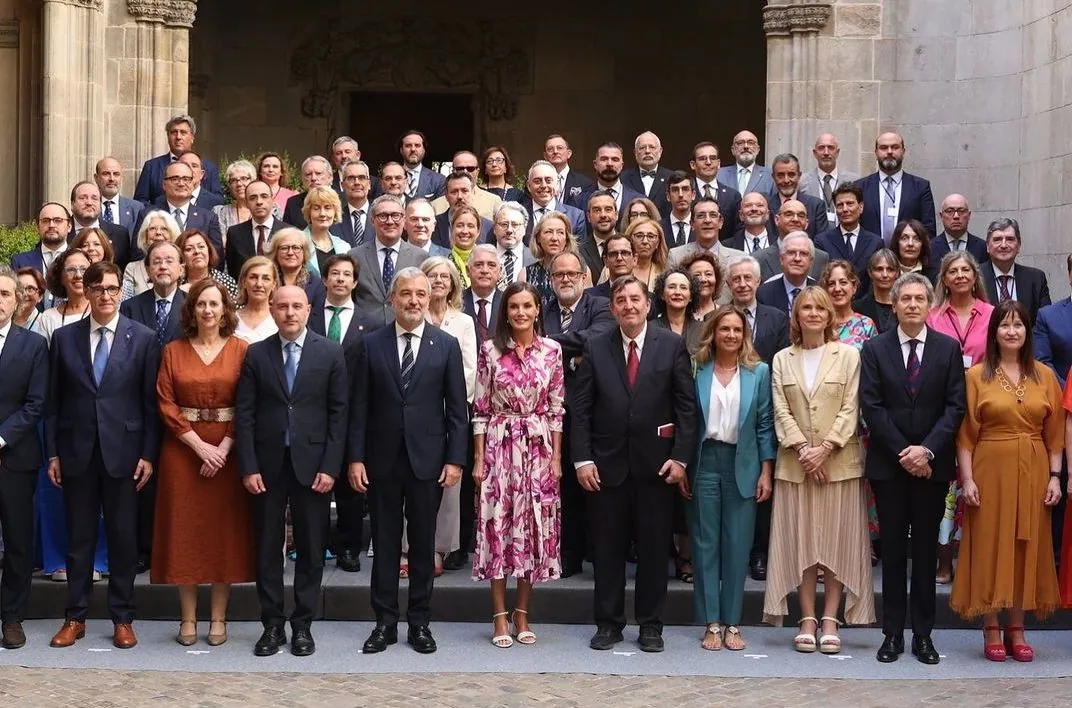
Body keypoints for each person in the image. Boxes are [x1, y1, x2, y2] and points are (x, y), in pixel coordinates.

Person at [572, 275, 697, 653]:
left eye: (634, 299)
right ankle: (608, 623)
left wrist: (680, 457)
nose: (628, 306)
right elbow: (580, 411)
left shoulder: (671, 346)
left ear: (648, 305)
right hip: (606, 468)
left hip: (656, 468)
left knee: (655, 551)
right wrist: (582, 459)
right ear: (612, 308)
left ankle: (651, 625)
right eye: (620, 300)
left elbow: (686, 408)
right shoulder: (596, 346)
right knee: (607, 551)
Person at [348, 268, 468, 655]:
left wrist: (455, 460)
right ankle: (383, 622)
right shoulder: (371, 345)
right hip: (381, 462)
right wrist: (355, 459)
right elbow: (359, 409)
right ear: (393, 299)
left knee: (421, 545)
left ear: (430, 296)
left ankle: (419, 623)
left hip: (428, 463)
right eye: (406, 294)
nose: (414, 301)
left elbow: (456, 412)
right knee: (384, 545)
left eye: (421, 293)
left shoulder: (445, 345)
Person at [46, 261, 160, 650]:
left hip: (125, 455)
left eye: (113, 289)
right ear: (86, 291)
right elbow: (53, 403)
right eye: (99, 289)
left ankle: (123, 618)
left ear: (120, 292)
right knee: (78, 539)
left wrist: (148, 454)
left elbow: (150, 404)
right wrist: (53, 454)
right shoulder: (63, 339)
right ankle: (75, 617)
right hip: (76, 452)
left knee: (123, 539)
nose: (106, 296)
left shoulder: (142, 338)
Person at [235, 285, 348, 657]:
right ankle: (271, 625)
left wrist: (331, 466)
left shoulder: (330, 353)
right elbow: (245, 415)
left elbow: (338, 415)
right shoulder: (255, 354)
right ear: (271, 308)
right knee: (267, 548)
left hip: (313, 466)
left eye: (296, 306)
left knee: (312, 548)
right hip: (267, 467)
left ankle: (302, 626)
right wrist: (248, 466)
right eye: (281, 306)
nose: (289, 313)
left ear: (309, 308)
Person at [860, 273, 966, 665]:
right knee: (891, 552)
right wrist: (906, 452)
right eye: (905, 299)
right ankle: (891, 634)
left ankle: (923, 635)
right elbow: (871, 405)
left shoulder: (947, 349)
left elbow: (955, 407)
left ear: (929, 303)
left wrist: (927, 451)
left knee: (924, 551)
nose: (912, 305)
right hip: (890, 466)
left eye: (920, 298)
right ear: (895, 304)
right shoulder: (874, 349)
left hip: (932, 468)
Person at [950, 300, 1063, 662]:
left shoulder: (1044, 375)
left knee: (1024, 543)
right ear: (994, 331)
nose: (1012, 331)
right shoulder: (976, 376)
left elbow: (1055, 434)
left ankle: (1017, 627)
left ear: (1028, 332)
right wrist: (966, 480)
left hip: (1034, 466)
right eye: (1004, 325)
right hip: (989, 467)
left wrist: (1056, 478)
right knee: (989, 543)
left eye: (1018, 325)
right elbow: (966, 435)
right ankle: (991, 625)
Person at [764, 287, 873, 653]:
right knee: (803, 542)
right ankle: (807, 617)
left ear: (830, 316)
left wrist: (825, 448)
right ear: (796, 315)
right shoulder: (782, 358)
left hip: (839, 463)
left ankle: (831, 618)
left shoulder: (848, 356)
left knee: (837, 543)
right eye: (805, 307)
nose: (812, 313)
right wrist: (803, 449)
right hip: (796, 465)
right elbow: (780, 408)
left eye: (819, 308)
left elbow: (852, 405)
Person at [152, 279, 255, 646]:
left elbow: (248, 403)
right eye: (201, 304)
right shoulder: (173, 351)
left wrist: (224, 447)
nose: (208, 311)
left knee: (222, 535)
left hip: (228, 451)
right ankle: (188, 618)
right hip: (183, 450)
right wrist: (198, 446)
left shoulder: (242, 350)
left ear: (225, 310)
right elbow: (165, 402)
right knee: (186, 533)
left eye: (214, 304)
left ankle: (218, 619)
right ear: (191, 310)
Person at [472, 281, 566, 647]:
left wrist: (556, 458)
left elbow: (558, 408)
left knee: (530, 528)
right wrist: (479, 460)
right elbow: (480, 410)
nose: (521, 312)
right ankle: (498, 614)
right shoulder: (489, 351)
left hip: (539, 445)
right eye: (514, 307)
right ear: (505, 312)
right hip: (499, 443)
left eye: (527, 306)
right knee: (498, 526)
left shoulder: (552, 351)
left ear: (538, 309)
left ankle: (522, 612)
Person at [690, 305, 774, 651]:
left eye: (737, 330)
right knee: (705, 545)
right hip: (704, 462)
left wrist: (767, 470)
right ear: (714, 332)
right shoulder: (697, 369)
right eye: (724, 329)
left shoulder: (758, 372)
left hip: (744, 464)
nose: (730, 335)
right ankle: (711, 621)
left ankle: (733, 622)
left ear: (745, 335)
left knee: (738, 547)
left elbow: (765, 424)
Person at [400, 257, 477, 577]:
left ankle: (438, 549)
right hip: (412, 413)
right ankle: (407, 548)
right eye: (433, 275)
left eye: (446, 275)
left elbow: (470, 369)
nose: (440, 280)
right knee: (409, 482)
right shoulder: (411, 316)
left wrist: (453, 405)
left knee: (447, 486)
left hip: (448, 414)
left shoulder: (463, 321)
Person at [542, 252, 614, 577]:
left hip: (597, 413)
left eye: (572, 273)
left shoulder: (599, 307)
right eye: (559, 275)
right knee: (565, 488)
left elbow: (595, 338)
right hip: (556, 415)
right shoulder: (543, 312)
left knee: (598, 486)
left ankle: (601, 554)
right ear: (551, 279)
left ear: (585, 277)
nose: (566, 279)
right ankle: (568, 554)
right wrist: (574, 353)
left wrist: (546, 345)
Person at [119, 240, 187, 573]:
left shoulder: (192, 306)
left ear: (181, 268)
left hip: (181, 403)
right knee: (142, 478)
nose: (162, 266)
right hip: (140, 401)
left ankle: (178, 544)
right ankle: (143, 548)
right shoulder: (131, 308)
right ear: (147, 270)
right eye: (156, 261)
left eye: (169, 261)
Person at [927, 251, 994, 582]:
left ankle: (974, 557)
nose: (960, 275)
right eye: (953, 270)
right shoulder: (933, 316)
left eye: (966, 269)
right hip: (943, 407)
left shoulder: (992, 314)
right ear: (945, 278)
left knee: (978, 481)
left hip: (984, 406)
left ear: (975, 275)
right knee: (948, 487)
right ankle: (943, 558)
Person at [307, 254, 377, 573]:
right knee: (314, 481)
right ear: (324, 279)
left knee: (350, 486)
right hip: (313, 412)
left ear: (354, 282)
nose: (339, 279)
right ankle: (314, 546)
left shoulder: (372, 322)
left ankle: (348, 546)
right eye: (334, 273)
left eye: (346, 275)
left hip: (353, 413)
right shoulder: (308, 317)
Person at [0, 266, 49, 650]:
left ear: (17, 300)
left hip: (14, 458)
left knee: (18, 543)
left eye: (5, 294)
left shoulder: (32, 346)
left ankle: (12, 617)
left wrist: (1, 438)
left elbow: (36, 404)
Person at [351, 194, 429, 327]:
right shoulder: (355, 256)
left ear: (404, 220)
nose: (390, 221)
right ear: (372, 221)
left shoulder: (421, 257)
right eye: (383, 216)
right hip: (364, 333)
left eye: (395, 215)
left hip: (405, 331)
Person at [856, 132, 937, 241]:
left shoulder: (921, 187)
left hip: (908, 255)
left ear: (903, 151)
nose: (889, 152)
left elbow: (928, 229)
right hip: (870, 255)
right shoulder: (860, 187)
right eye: (884, 148)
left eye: (895, 147)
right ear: (876, 153)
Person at [134, 114, 221, 205]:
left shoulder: (209, 168)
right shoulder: (151, 166)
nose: (178, 137)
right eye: (174, 132)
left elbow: (217, 201)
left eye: (183, 132)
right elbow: (139, 202)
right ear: (168, 137)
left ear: (192, 138)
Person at [814, 183, 883, 293]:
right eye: (840, 205)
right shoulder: (822, 241)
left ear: (860, 207)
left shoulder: (875, 242)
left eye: (850, 204)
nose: (845, 209)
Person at [980, 217, 1051, 325]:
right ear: (987, 247)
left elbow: (1044, 324)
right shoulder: (975, 276)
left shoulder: (1036, 278)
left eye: (1010, 239)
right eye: (997, 239)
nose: (1003, 245)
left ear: (1018, 246)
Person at [526, 212, 591, 304]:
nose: (554, 238)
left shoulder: (582, 270)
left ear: (567, 239)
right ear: (538, 238)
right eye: (548, 232)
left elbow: (587, 306)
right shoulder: (526, 273)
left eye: (560, 232)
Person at [34, 249, 93, 345]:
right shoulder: (49, 317)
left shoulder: (100, 312)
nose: (78, 275)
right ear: (60, 277)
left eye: (84, 269)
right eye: (71, 270)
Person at [122, 210, 182, 300]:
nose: (158, 232)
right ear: (145, 236)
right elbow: (125, 303)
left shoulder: (180, 266)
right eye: (152, 229)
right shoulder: (132, 269)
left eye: (164, 229)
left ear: (173, 235)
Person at [756, 232, 818, 315]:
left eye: (803, 253)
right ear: (781, 259)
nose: (797, 258)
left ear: (811, 262)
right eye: (791, 253)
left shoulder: (822, 292)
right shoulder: (764, 294)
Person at [1035, 254, 1072, 388]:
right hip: (1065, 402)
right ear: (1070, 277)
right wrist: (1069, 393)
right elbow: (1043, 363)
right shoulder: (1048, 316)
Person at [823, 261, 878, 349]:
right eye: (831, 284)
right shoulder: (820, 323)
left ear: (854, 287)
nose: (837, 289)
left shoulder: (866, 325)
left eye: (843, 282)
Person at [650, 267, 703, 354]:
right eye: (672, 287)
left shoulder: (703, 330)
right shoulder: (650, 329)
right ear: (662, 294)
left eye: (683, 288)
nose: (678, 292)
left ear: (691, 296)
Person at [301, 186, 351, 277]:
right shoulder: (297, 243)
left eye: (327, 208)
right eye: (316, 208)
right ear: (309, 212)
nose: (322, 214)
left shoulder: (344, 247)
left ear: (335, 212)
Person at [177, 229, 239, 302]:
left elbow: (234, 312)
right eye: (189, 249)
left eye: (201, 246)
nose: (197, 251)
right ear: (180, 256)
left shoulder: (225, 282)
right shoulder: (176, 284)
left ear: (209, 250)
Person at [266, 227, 324, 305]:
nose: (290, 253)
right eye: (284, 248)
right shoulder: (266, 280)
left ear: (304, 252)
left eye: (296, 248)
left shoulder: (316, 284)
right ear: (275, 253)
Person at [622, 131, 672, 217]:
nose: (647, 151)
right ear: (635, 153)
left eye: (652, 147)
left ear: (660, 151)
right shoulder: (623, 178)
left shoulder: (671, 178)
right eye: (642, 148)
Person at [931, 194, 988, 265]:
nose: (956, 216)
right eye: (950, 211)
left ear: (969, 215)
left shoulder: (983, 247)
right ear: (941, 216)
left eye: (961, 211)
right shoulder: (930, 248)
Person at [853, 249, 900, 333]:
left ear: (897, 273)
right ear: (870, 272)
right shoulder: (857, 307)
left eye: (890, 269)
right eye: (879, 269)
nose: (885, 275)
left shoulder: (904, 306)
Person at [234, 256, 278, 344]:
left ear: (273, 284)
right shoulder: (232, 318)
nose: (259, 284)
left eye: (266, 278)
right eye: (253, 277)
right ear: (244, 282)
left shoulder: (279, 319)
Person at [622, 217, 668, 293]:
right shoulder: (614, 268)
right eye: (639, 236)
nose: (645, 241)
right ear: (630, 240)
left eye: (651, 236)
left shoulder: (664, 272)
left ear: (658, 243)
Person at [213, 160, 259, 235]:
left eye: (244, 178)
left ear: (253, 180)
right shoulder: (221, 213)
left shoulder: (270, 210)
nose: (239, 184)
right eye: (233, 180)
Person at [543, 133, 593, 203]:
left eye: (559, 148)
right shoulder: (536, 183)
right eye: (550, 149)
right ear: (545, 156)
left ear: (569, 153)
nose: (555, 151)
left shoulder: (584, 183)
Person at [398, 129, 446, 199]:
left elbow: (441, 208)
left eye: (417, 145)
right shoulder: (389, 179)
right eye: (408, 146)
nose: (413, 149)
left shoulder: (438, 180)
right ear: (401, 150)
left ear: (424, 150)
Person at [448, 205, 482, 288]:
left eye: (470, 226)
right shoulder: (444, 264)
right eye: (460, 225)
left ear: (478, 231)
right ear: (452, 229)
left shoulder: (487, 261)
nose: (465, 231)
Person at [681, 251, 723, 320]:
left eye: (708, 274)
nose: (703, 280)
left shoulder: (724, 314)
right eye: (697, 275)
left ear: (716, 279)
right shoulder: (678, 315)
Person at [256, 151, 298, 216]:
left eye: (275, 166)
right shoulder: (252, 195)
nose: (270, 170)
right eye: (266, 166)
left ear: (281, 172)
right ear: (260, 171)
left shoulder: (293, 196)